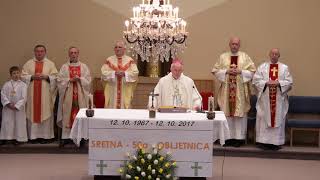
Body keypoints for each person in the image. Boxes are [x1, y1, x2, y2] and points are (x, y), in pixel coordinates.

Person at [212, 37, 256, 147]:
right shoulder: (223, 57)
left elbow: (252, 71)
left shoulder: (245, 57)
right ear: (229, 44)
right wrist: (226, 71)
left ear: (239, 45)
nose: (234, 46)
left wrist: (241, 71)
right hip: (227, 91)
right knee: (227, 114)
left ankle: (239, 139)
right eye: (232, 44)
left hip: (239, 92)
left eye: (236, 44)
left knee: (238, 114)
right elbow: (215, 70)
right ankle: (227, 138)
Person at [252, 48, 293, 150]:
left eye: (276, 54)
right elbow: (256, 80)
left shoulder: (284, 68)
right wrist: (266, 83)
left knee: (277, 118)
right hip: (265, 100)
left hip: (278, 99)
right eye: (272, 54)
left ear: (279, 56)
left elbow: (289, 82)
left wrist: (279, 83)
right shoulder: (262, 67)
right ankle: (263, 142)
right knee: (263, 118)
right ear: (269, 55)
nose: (274, 55)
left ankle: (275, 142)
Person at [21, 44, 58, 143]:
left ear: (45, 52)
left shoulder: (50, 64)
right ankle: (33, 137)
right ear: (34, 52)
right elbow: (22, 77)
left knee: (45, 111)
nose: (39, 53)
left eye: (42, 51)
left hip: (45, 94)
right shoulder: (28, 64)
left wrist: (46, 77)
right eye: (37, 51)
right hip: (32, 94)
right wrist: (32, 77)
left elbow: (55, 77)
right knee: (32, 112)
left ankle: (45, 137)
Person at [57, 47, 91, 146]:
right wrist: (69, 80)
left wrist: (80, 79)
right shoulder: (64, 67)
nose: (73, 54)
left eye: (75, 52)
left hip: (81, 95)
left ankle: (81, 137)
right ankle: (66, 137)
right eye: (71, 53)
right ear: (69, 54)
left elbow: (88, 80)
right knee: (67, 113)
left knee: (81, 113)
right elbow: (59, 80)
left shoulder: (84, 67)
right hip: (68, 95)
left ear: (78, 54)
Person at [101, 40, 139, 109]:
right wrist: (114, 73)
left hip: (124, 90)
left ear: (124, 49)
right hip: (112, 90)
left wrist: (125, 73)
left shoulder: (130, 60)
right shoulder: (109, 60)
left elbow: (135, 73)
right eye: (116, 47)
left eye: (120, 47)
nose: (117, 49)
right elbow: (103, 73)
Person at [0, 66, 28, 145]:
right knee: (8, 122)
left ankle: (19, 139)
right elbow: (2, 95)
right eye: (14, 73)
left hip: (18, 108)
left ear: (20, 74)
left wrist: (16, 105)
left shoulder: (23, 85)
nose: (16, 75)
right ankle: (7, 138)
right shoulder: (7, 84)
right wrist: (8, 104)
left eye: (17, 73)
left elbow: (24, 97)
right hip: (8, 108)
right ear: (10, 75)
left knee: (19, 122)